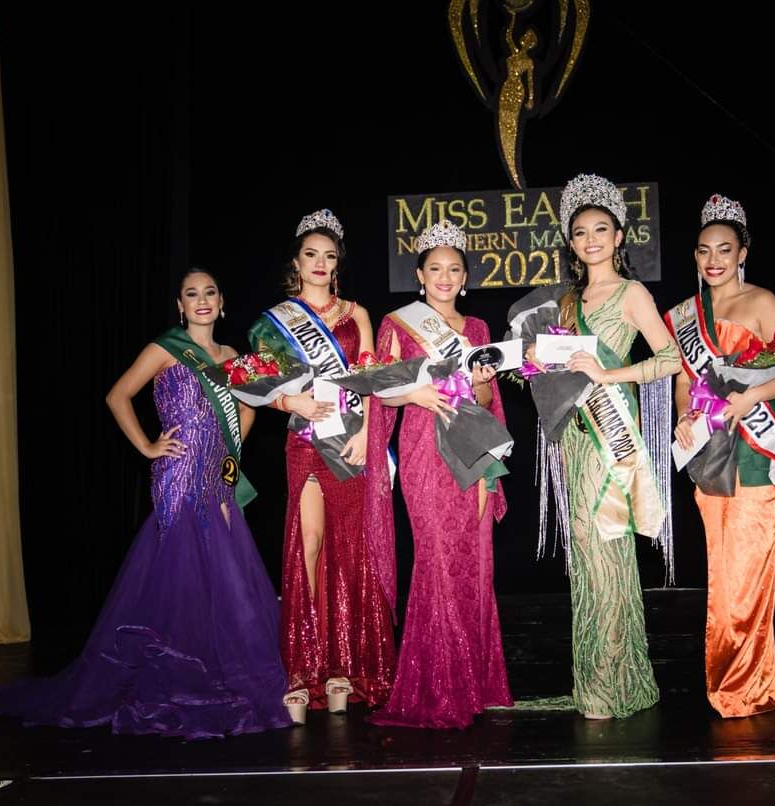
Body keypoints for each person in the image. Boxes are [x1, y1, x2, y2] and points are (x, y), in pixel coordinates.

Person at [0, 269, 290, 739]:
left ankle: (214, 673)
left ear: (222, 301)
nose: (202, 300)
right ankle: (175, 675)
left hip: (216, 477)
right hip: (178, 473)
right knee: (181, 573)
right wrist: (147, 446)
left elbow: (249, 407)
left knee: (222, 577)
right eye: (192, 294)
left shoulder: (233, 358)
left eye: (209, 292)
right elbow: (117, 395)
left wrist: (229, 456)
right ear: (180, 306)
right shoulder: (165, 349)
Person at [536, 174, 681, 720]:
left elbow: (669, 358)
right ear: (571, 243)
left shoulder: (632, 293)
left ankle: (610, 682)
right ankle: (605, 678)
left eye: (602, 229)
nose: (591, 239)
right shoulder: (568, 300)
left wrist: (609, 372)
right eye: (581, 232)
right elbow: (560, 368)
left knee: (607, 550)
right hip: (576, 438)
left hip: (611, 434)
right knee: (587, 554)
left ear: (619, 236)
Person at [366, 219, 512, 729]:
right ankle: (437, 686)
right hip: (424, 449)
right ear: (419, 276)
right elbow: (380, 389)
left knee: (472, 559)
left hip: (469, 448)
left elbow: (489, 401)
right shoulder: (398, 325)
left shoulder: (477, 331)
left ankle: (472, 683)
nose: (445, 277)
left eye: (454, 268)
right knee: (436, 558)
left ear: (465, 277)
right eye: (435, 268)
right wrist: (416, 394)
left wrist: (482, 384)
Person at [249, 209, 394, 721]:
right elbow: (255, 385)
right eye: (311, 254)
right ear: (296, 261)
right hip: (304, 440)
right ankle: (304, 666)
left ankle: (344, 666)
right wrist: (292, 405)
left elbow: (372, 379)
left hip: (349, 441)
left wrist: (366, 436)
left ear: (337, 265)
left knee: (347, 548)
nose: (319, 263)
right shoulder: (276, 321)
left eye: (329, 256)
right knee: (307, 545)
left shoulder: (357, 314)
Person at [668, 193, 775, 718]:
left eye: (724, 249)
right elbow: (685, 378)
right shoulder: (688, 312)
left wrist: (750, 397)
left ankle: (745, 686)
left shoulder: (763, 302)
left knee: (748, 570)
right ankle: (731, 680)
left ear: (743, 252)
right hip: (708, 451)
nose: (713, 260)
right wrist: (684, 413)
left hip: (753, 445)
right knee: (722, 572)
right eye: (704, 251)